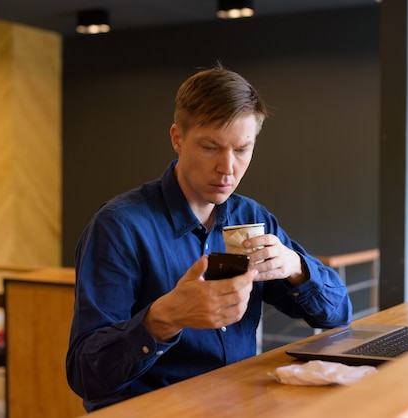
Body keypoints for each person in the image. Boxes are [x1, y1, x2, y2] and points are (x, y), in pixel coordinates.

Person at [66, 64, 352, 411]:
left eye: (242, 149)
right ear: (177, 139)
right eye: (210, 147)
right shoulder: (118, 227)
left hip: (236, 404)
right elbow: (84, 373)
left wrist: (297, 267)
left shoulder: (254, 218)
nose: (227, 168)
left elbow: (338, 314)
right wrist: (162, 319)